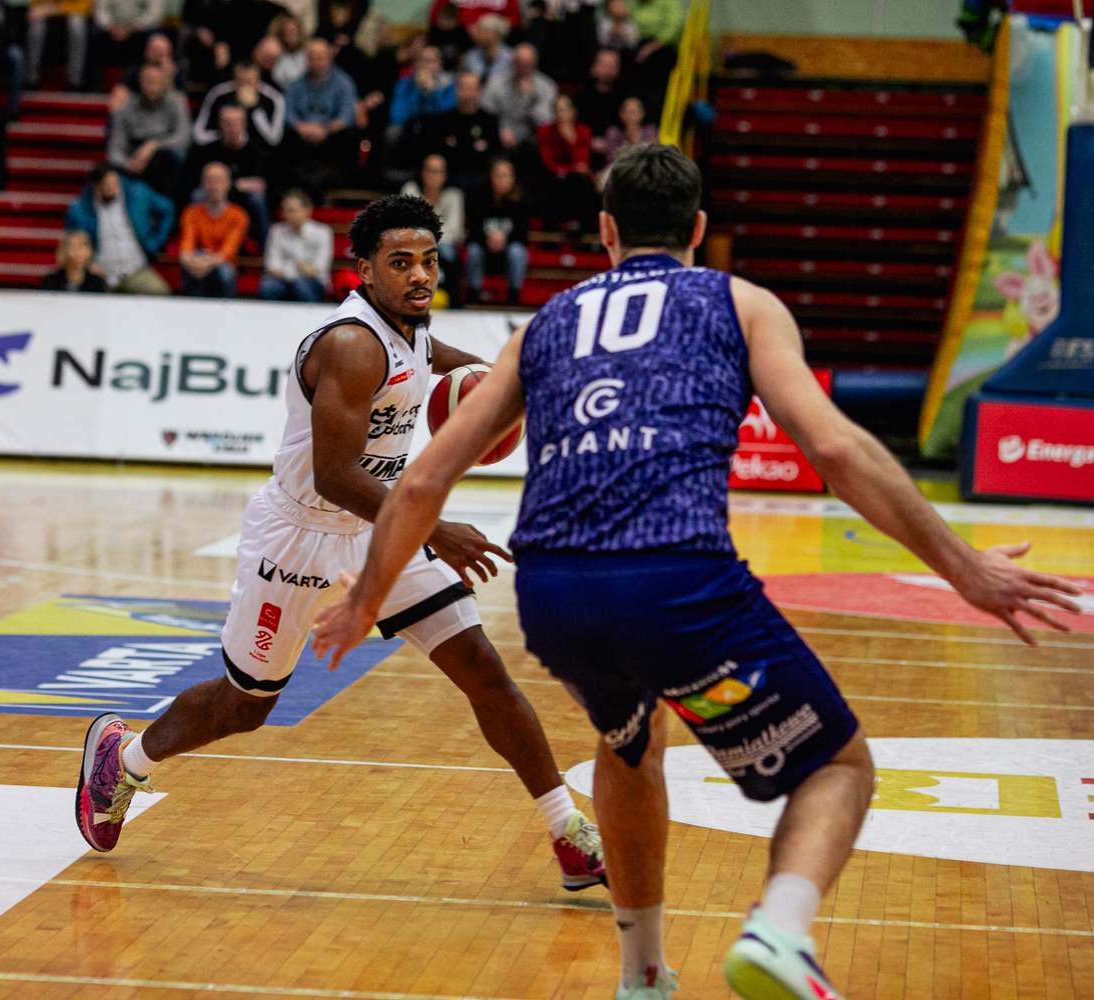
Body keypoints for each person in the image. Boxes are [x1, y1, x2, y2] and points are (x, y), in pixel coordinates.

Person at [312, 144, 1087, 1000]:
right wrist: (964, 568)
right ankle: (780, 933)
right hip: (674, 583)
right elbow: (835, 450)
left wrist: (364, 599)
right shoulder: (739, 303)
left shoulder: (548, 321)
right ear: (700, 229)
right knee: (838, 768)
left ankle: (642, 974)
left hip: (555, 597)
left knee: (629, 740)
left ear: (606, 231)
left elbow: (424, 481)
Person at [75, 194, 607, 904]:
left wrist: (526, 387)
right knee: (244, 707)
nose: (420, 276)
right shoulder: (352, 345)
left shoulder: (413, 328)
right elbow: (334, 475)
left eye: (428, 261)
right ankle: (125, 760)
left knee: (482, 667)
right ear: (364, 269)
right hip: (299, 537)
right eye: (401, 263)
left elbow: (463, 372)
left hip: (375, 530)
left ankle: (569, 831)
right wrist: (436, 528)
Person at [63, 164, 173, 294]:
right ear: (95, 186)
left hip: (135, 269)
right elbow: (72, 241)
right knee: (81, 294)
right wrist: (88, 264)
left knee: (159, 292)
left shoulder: (137, 193)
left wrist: (155, 243)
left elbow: (168, 209)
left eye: (115, 183)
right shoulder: (80, 210)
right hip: (100, 274)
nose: (112, 188)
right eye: (106, 185)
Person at [106, 61, 192, 200]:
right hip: (135, 157)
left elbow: (184, 136)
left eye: (156, 81)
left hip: (164, 155)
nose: (151, 86)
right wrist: (128, 164)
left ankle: (168, 203)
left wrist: (153, 145)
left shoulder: (176, 102)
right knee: (110, 169)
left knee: (179, 154)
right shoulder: (126, 106)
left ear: (164, 82)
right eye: (147, 80)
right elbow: (114, 150)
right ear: (140, 81)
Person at [283, 38, 358, 190]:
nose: (316, 62)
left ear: (330, 58)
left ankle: (343, 189)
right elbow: (287, 114)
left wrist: (325, 129)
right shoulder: (295, 84)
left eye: (320, 57)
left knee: (350, 136)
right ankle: (290, 187)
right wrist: (302, 127)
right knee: (284, 135)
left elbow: (347, 116)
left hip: (331, 135)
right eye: (312, 57)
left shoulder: (344, 82)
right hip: (302, 134)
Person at [187, 103, 269, 242]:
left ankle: (264, 247)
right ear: (219, 124)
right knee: (197, 195)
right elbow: (202, 181)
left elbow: (260, 184)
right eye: (227, 122)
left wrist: (225, 183)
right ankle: (192, 244)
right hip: (216, 194)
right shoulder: (209, 149)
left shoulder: (256, 149)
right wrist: (236, 183)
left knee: (258, 200)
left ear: (244, 124)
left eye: (236, 122)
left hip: (243, 197)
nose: (231, 127)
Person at [479, 42, 554, 169]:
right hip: (503, 139)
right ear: (512, 63)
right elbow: (485, 113)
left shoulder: (546, 86)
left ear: (535, 64)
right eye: (518, 64)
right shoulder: (497, 83)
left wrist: (531, 99)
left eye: (527, 65)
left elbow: (547, 122)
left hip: (534, 140)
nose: (522, 69)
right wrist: (499, 130)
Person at [178, 161, 247, 298]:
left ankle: (226, 307)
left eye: (219, 180)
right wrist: (193, 261)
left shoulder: (239, 216)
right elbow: (186, 247)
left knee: (225, 272)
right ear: (202, 184)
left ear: (228, 183)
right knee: (190, 266)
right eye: (209, 180)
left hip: (222, 264)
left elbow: (227, 252)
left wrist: (205, 263)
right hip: (198, 262)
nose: (214, 185)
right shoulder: (190, 213)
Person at [423, 70, 500, 193]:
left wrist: (457, 146)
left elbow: (493, 152)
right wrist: (474, 148)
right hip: (450, 177)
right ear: (456, 90)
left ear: (479, 91)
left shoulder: (489, 120)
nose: (467, 93)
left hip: (481, 178)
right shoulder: (444, 120)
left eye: (471, 88)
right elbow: (441, 151)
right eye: (463, 87)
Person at [400, 153, 462, 303]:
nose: (433, 176)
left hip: (442, 244)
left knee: (446, 250)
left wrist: (431, 240)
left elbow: (455, 229)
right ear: (422, 173)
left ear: (445, 175)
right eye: (429, 170)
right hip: (414, 242)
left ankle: (451, 296)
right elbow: (405, 223)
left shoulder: (454, 195)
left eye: (438, 171)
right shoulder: (410, 190)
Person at [465, 157, 528, 304]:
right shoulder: (478, 197)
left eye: (506, 175)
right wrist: (490, 239)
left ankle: (514, 296)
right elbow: (473, 230)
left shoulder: (522, 200)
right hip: (484, 246)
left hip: (509, 248)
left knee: (517, 252)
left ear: (513, 178)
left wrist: (505, 239)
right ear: (490, 176)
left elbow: (522, 233)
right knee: (473, 251)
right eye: (498, 175)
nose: (502, 180)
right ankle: (473, 294)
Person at [192, 60, 286, 148]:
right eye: (241, 81)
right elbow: (198, 134)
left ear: (258, 81)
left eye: (250, 82)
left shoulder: (273, 98)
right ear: (234, 80)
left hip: (259, 151)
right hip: (221, 149)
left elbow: (275, 140)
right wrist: (226, 134)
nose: (245, 86)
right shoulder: (218, 94)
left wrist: (255, 113)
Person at [259, 188, 332, 301]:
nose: (286, 215)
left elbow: (319, 269)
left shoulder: (323, 232)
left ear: (307, 211)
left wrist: (286, 270)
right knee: (268, 287)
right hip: (281, 281)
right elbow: (272, 265)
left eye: (291, 210)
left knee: (302, 287)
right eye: (284, 210)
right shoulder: (276, 230)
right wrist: (301, 267)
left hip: (313, 282)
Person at [537, 94, 596, 232]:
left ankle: (583, 231)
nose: (561, 114)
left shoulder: (584, 131)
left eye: (565, 109)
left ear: (573, 111)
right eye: (557, 110)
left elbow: (583, 163)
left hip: (574, 178)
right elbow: (548, 162)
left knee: (580, 182)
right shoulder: (544, 131)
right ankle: (551, 231)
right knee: (555, 182)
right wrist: (569, 169)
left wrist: (571, 141)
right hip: (553, 177)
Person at [27, 0, 93, 89]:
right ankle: (31, 80)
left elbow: (84, 7)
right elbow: (36, 6)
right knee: (36, 25)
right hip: (48, 16)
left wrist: (53, 9)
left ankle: (74, 82)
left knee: (76, 23)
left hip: (71, 13)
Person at [387, 43, 454, 131]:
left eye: (430, 61)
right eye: (422, 60)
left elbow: (447, 113)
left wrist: (430, 92)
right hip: (409, 126)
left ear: (439, 63)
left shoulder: (449, 84)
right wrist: (417, 89)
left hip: (438, 127)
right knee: (393, 131)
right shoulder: (405, 83)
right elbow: (396, 115)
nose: (426, 65)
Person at [575, 49, 629, 151]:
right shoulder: (580, 96)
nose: (608, 70)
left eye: (612, 66)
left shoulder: (626, 98)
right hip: (585, 147)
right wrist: (589, 140)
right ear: (593, 68)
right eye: (604, 65)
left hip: (619, 148)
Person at [599, 95, 656, 185]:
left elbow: (653, 156)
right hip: (620, 169)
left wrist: (635, 138)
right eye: (627, 112)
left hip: (645, 169)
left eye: (634, 112)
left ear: (642, 114)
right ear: (621, 114)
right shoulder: (614, 132)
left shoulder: (650, 131)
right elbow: (610, 158)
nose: (630, 116)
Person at [41, 229, 107, 291]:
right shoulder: (50, 281)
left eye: (81, 246)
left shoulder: (96, 282)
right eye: (72, 246)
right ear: (64, 251)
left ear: (89, 251)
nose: (77, 251)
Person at [459, 13, 510, 81]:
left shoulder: (510, 57)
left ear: (494, 33)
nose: (479, 34)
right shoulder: (470, 57)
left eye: (483, 31)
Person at [269, 13, 307, 89]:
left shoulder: (309, 53)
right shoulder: (274, 55)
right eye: (288, 31)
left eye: (294, 31)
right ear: (280, 33)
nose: (291, 35)